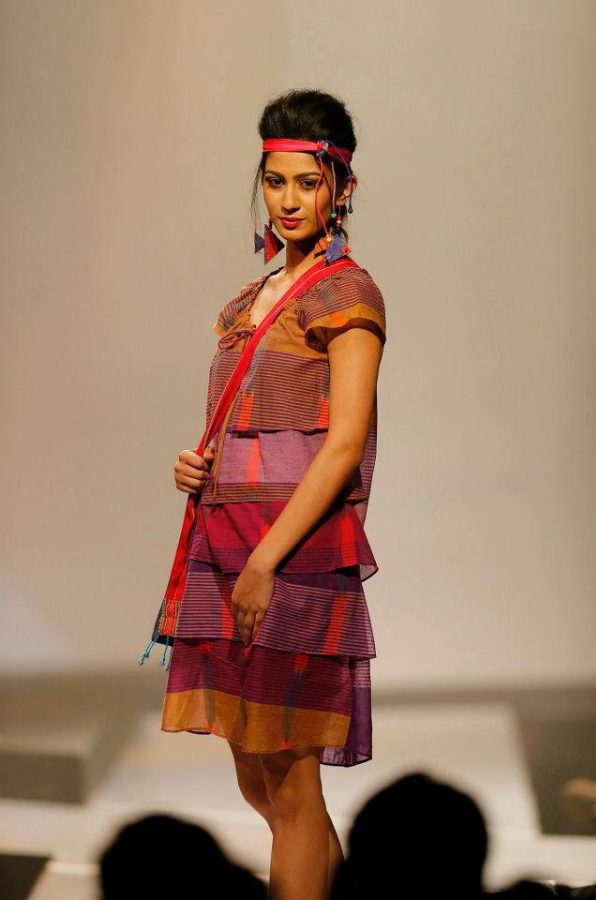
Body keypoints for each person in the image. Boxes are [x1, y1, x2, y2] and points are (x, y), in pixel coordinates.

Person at [138, 88, 387, 900]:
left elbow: (342, 443)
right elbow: (254, 426)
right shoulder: (247, 304)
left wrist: (266, 563)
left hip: (291, 559)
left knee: (291, 782)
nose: (288, 200)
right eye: (275, 182)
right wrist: (199, 468)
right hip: (226, 546)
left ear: (341, 187)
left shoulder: (347, 294)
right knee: (258, 779)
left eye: (307, 183)